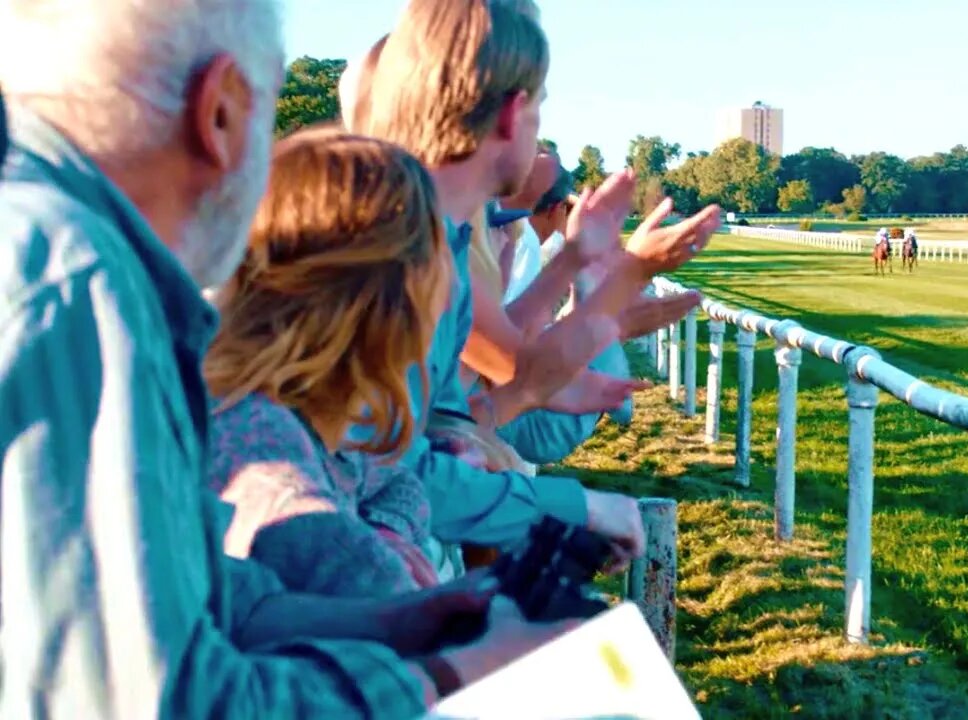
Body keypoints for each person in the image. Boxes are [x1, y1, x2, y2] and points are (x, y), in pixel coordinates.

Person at [0, 1, 574, 714]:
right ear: (220, 113)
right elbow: (164, 700)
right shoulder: (79, 284)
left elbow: (198, 591)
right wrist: (446, 678)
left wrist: (394, 623)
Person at [358, 0, 720, 577]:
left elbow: (445, 426)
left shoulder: (431, 237)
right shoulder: (400, 252)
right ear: (511, 115)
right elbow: (393, 471)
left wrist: (522, 393)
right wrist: (573, 507)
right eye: (540, 112)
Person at [204, 127, 458, 596]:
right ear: (389, 298)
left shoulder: (302, 421)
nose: (449, 296)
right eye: (438, 262)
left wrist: (383, 530)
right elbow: (377, 597)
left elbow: (399, 485)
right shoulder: (261, 446)